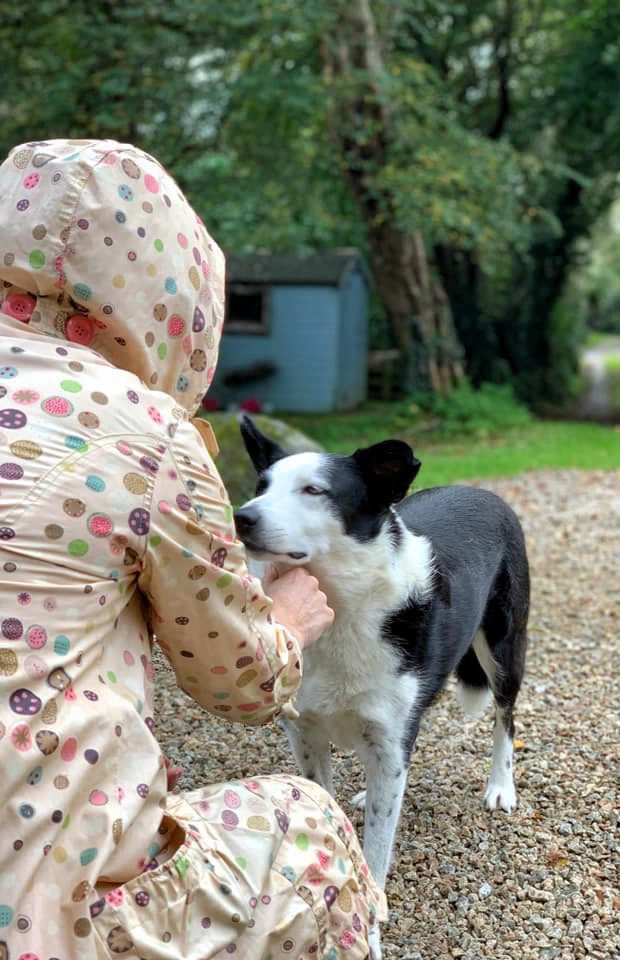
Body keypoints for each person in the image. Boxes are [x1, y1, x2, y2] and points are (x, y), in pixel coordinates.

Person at [0, 139, 386, 960]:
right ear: (165, 295)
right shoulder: (141, 434)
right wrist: (284, 622)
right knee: (309, 828)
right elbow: (240, 682)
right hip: (33, 899)